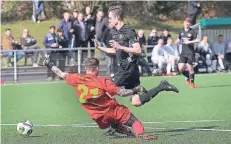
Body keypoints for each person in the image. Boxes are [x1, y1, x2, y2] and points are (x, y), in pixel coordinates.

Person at [40, 57, 179, 138]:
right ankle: (140, 134)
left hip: (99, 119)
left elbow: (61, 73)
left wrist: (49, 64)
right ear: (96, 69)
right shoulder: (102, 81)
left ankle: (121, 129)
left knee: (113, 122)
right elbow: (122, 93)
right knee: (136, 123)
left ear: (86, 68)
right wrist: (136, 89)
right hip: (113, 110)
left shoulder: (76, 78)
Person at [175, 17, 200, 88]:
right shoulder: (181, 31)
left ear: (190, 24)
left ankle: (192, 83)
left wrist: (190, 42)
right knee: (180, 69)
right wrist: (176, 41)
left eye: (188, 22)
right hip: (183, 53)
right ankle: (187, 76)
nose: (187, 23)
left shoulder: (193, 31)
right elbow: (179, 39)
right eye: (186, 22)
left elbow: (198, 40)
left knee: (190, 69)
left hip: (190, 53)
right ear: (184, 23)